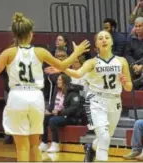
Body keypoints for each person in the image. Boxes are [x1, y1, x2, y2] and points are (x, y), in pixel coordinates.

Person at [0, 12, 90, 162]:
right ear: (31, 34)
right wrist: (77, 52)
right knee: (34, 145)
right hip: (35, 97)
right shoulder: (40, 52)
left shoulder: (8, 53)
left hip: (17, 97)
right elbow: (64, 65)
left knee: (22, 147)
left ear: (14, 34)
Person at [45, 30, 133, 162]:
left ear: (112, 42)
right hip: (96, 101)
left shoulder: (122, 61)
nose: (104, 40)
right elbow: (77, 74)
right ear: (96, 44)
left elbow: (129, 87)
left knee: (106, 137)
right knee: (104, 137)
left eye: (107, 37)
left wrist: (125, 82)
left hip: (115, 102)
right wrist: (62, 68)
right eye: (101, 38)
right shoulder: (92, 62)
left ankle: (90, 147)